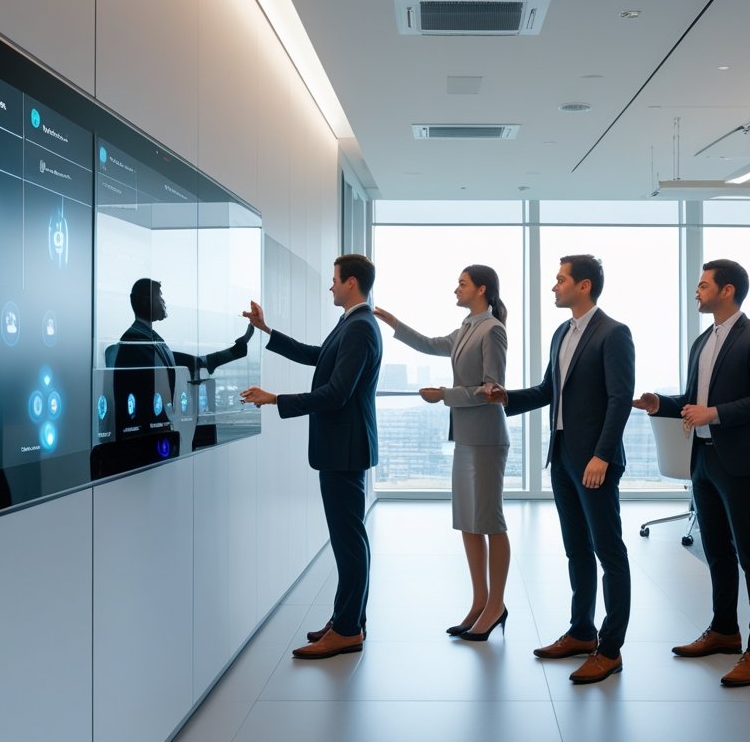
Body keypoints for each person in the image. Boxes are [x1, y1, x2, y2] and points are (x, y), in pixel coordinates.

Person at [483, 255, 633, 685]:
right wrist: (505, 397)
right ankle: (582, 632)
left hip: (595, 460)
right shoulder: (561, 333)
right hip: (563, 455)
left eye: (561, 279)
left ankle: (611, 649)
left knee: (609, 552)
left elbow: (620, 399)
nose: (554, 286)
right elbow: (550, 390)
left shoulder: (614, 333)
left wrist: (602, 456)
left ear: (584, 286)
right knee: (577, 550)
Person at [633, 258, 750, 688]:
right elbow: (693, 400)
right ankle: (724, 630)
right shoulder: (702, 341)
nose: (697, 291)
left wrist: (713, 413)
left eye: (703, 285)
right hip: (705, 461)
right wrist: (662, 403)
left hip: (739, 463)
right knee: (715, 550)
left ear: (727, 290)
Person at [239, 255, 382, 660]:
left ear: (351, 282)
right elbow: (320, 355)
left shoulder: (360, 327)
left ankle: (349, 628)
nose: (331, 287)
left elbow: (336, 393)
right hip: (343, 447)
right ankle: (346, 619)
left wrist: (275, 399)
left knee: (348, 541)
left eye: (334, 281)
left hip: (344, 449)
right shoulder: (354, 324)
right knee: (348, 538)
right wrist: (268, 331)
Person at [374, 266, 512, 641]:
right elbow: (430, 344)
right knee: (468, 521)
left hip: (485, 438)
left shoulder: (492, 329)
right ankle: (480, 600)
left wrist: (444, 396)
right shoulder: (467, 327)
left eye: (462, 284)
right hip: (467, 437)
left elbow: (491, 389)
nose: (456, 288)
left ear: (481, 289)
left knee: (490, 521)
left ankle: (496, 604)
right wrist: (395, 324)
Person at [111, 278, 252, 431]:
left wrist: (236, 350)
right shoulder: (135, 342)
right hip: (145, 432)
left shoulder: (150, 340)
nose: (163, 302)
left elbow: (196, 362)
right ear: (146, 302)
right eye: (159, 296)